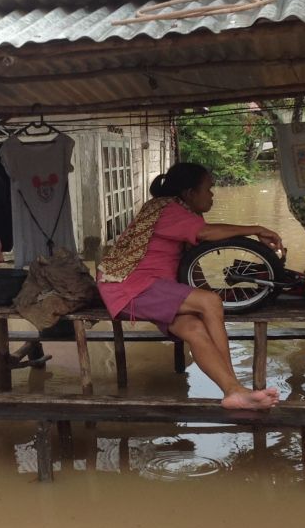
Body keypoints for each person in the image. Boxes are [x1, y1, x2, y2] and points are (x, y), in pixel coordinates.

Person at [96, 163, 283, 410]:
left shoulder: (177, 210)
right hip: (130, 285)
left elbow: (189, 264)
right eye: (208, 189)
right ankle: (236, 386)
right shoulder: (167, 209)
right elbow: (205, 233)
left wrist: (206, 288)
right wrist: (257, 228)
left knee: (194, 328)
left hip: (151, 287)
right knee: (210, 302)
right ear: (189, 193)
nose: (212, 195)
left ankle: (232, 393)